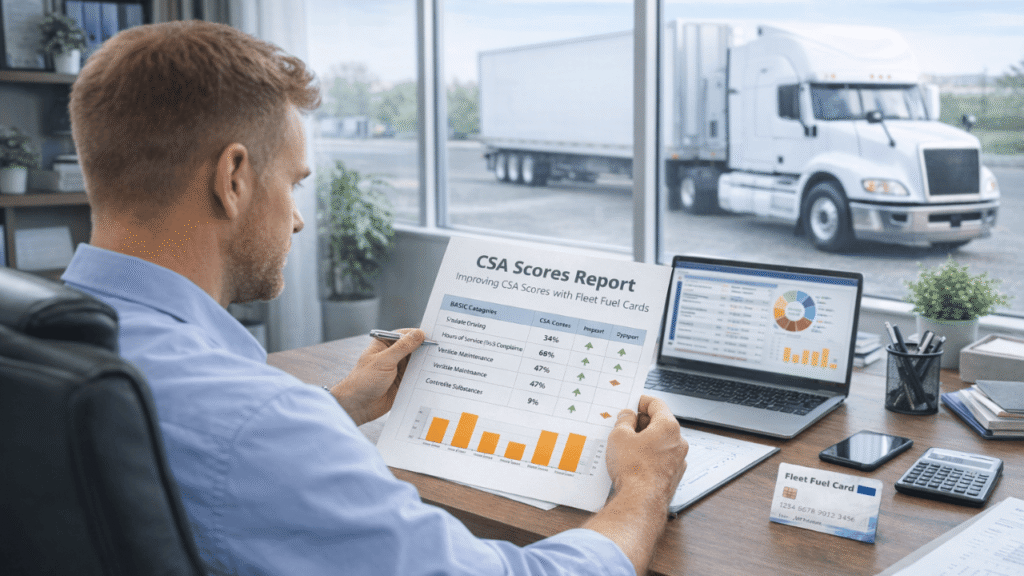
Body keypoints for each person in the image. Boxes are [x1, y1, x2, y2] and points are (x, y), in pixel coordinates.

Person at [62, 20, 688, 576]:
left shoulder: (49, 341)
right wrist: (643, 487)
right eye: (293, 183)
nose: (299, 221)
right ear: (234, 180)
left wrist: (338, 407)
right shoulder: (254, 422)